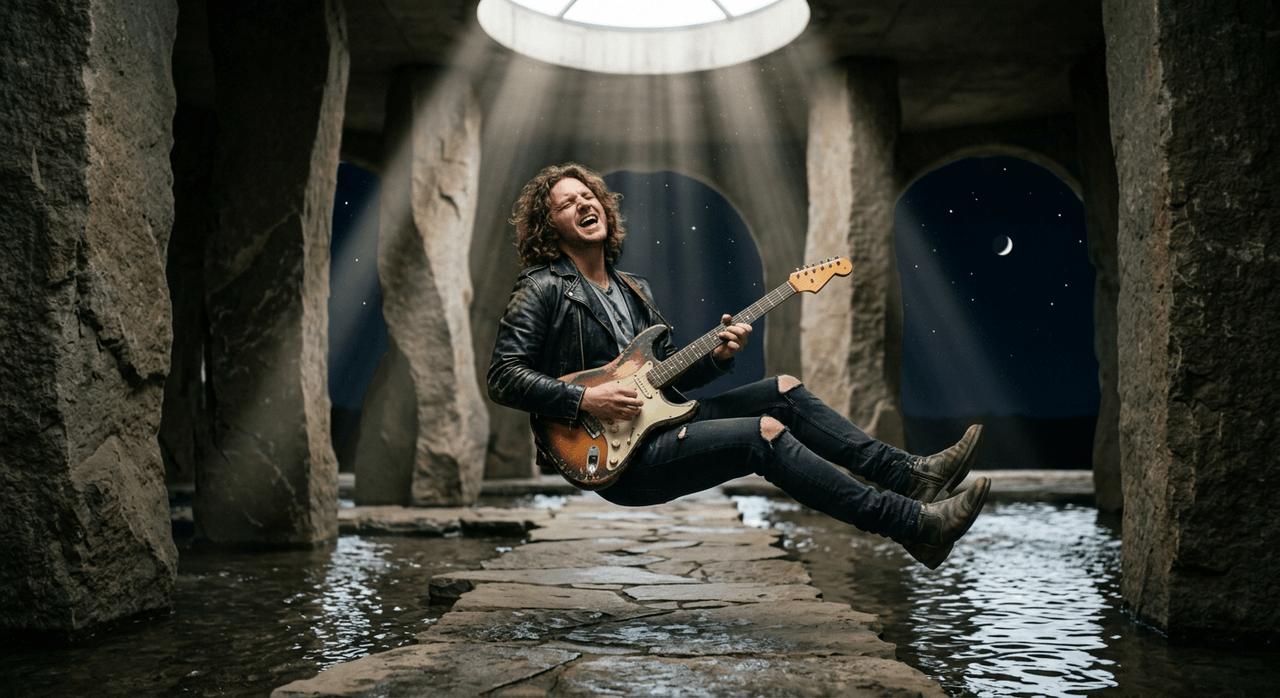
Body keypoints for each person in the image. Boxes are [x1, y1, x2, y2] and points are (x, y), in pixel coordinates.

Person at [487, 163, 991, 568]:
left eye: (587, 196)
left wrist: (718, 357)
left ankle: (910, 475)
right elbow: (503, 376)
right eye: (566, 203)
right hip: (614, 458)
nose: (583, 204)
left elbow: (662, 380)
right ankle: (914, 526)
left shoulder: (634, 289)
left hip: (659, 428)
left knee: (784, 390)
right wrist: (585, 397)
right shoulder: (542, 287)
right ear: (549, 226)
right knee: (762, 434)